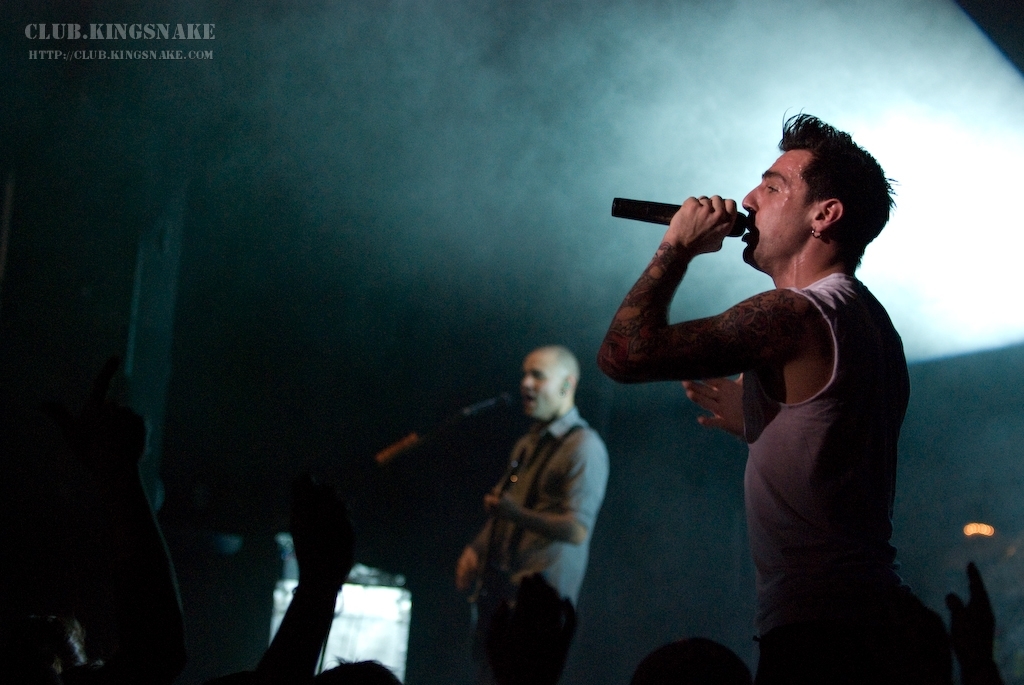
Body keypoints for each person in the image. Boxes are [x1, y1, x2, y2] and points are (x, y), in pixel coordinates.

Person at [597, 115, 949, 683]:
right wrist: (759, 418)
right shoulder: (872, 321)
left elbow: (623, 354)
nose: (747, 200)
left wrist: (676, 247)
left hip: (828, 635)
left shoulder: (795, 314)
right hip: (882, 620)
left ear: (824, 215)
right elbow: (832, 447)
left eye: (773, 187)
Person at [455, 345, 609, 684]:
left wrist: (517, 515)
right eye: (525, 374)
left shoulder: (585, 446)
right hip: (505, 596)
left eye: (538, 376)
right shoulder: (526, 444)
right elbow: (505, 509)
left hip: (542, 608)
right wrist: (476, 548)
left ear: (567, 384)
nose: (525, 383)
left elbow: (577, 530)